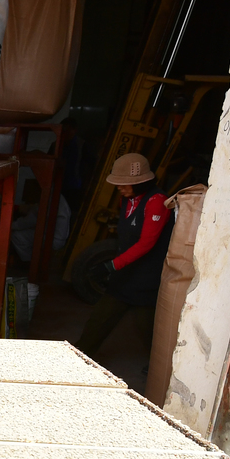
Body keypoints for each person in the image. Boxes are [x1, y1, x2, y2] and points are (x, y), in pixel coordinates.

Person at [75, 152, 174, 357]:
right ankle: (79, 356)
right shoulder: (126, 201)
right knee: (98, 321)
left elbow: (146, 243)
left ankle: (160, 368)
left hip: (147, 280)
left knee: (148, 331)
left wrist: (111, 265)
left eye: (124, 183)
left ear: (140, 182)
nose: (119, 187)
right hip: (124, 276)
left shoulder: (157, 201)